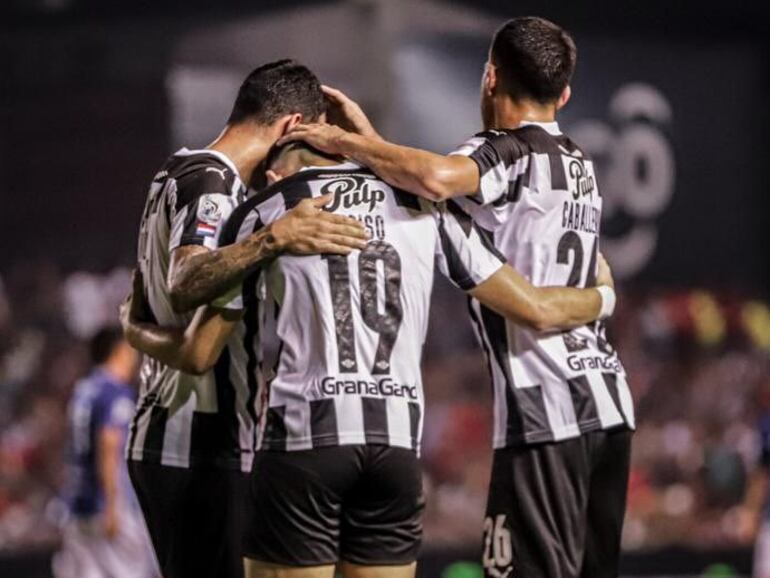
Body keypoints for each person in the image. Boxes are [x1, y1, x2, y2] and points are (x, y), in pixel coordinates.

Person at [122, 140, 617, 578]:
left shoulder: (270, 209)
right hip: (396, 445)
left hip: (305, 439)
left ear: (276, 171)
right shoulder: (424, 204)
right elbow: (530, 305)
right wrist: (603, 298)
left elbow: (200, 348)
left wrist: (135, 327)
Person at [279, 16, 634, 578]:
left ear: (491, 77)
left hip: (545, 409)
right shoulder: (579, 165)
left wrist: (339, 141)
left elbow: (439, 181)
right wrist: (373, 145)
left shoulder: (505, 151)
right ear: (563, 94)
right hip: (610, 404)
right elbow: (430, 196)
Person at [128, 59, 368, 578]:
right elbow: (192, 321)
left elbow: (147, 303)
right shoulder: (221, 191)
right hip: (202, 445)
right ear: (290, 129)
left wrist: (135, 332)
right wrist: (274, 237)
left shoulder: (175, 171)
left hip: (163, 436)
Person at [54, 327, 157, 578]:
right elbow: (108, 445)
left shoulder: (83, 389)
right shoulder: (114, 392)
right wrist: (112, 504)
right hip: (105, 503)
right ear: (119, 350)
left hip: (77, 501)